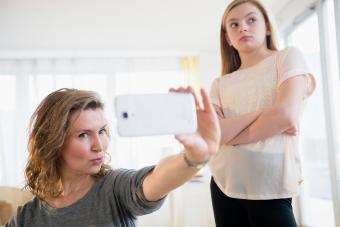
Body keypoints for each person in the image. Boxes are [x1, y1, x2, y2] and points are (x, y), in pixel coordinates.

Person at [6, 86, 220, 227]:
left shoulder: (115, 187)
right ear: (53, 142)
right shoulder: (26, 217)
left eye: (102, 131)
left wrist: (195, 156)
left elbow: (156, 179)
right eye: (83, 135)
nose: (99, 146)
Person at [209, 0, 316, 227]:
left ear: (267, 27)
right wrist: (266, 113)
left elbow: (285, 115)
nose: (243, 28)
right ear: (228, 38)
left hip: (271, 184)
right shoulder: (219, 84)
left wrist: (229, 135)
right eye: (234, 25)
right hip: (224, 184)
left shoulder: (287, 58)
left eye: (251, 20)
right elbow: (214, 134)